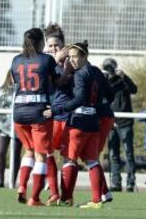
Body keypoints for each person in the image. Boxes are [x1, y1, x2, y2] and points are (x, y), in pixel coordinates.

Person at [44, 41, 112, 209]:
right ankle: (97, 200)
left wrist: (55, 109)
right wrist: (95, 106)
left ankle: (66, 198)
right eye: (70, 57)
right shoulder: (97, 72)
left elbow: (79, 99)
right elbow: (110, 95)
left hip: (78, 123)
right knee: (92, 161)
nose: (72, 60)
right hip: (94, 123)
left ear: (84, 57)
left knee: (69, 159)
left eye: (75, 57)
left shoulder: (80, 74)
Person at [12, 28, 70, 206]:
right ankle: (35, 197)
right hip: (39, 112)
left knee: (28, 151)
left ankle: (22, 186)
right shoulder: (46, 59)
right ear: (40, 43)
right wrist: (66, 68)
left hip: (18, 113)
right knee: (41, 157)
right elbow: (60, 81)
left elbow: (17, 81)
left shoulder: (16, 60)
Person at [44, 23, 72, 205]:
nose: (54, 48)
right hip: (49, 116)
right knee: (47, 154)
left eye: (57, 45)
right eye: (51, 45)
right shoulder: (44, 63)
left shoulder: (72, 61)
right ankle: (54, 193)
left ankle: (67, 196)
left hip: (68, 116)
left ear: (63, 45)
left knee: (68, 157)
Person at [102, 58, 138, 192]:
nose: (110, 70)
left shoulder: (123, 81)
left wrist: (124, 77)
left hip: (125, 122)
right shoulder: (105, 82)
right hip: (111, 123)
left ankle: (130, 182)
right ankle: (116, 183)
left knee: (128, 153)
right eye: (107, 67)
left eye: (111, 67)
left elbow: (134, 90)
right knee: (113, 154)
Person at [0, 70, 22, 188]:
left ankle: (12, 181)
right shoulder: (1, 91)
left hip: (17, 129)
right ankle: (0, 180)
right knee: (1, 152)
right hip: (2, 128)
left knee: (15, 155)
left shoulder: (22, 91)